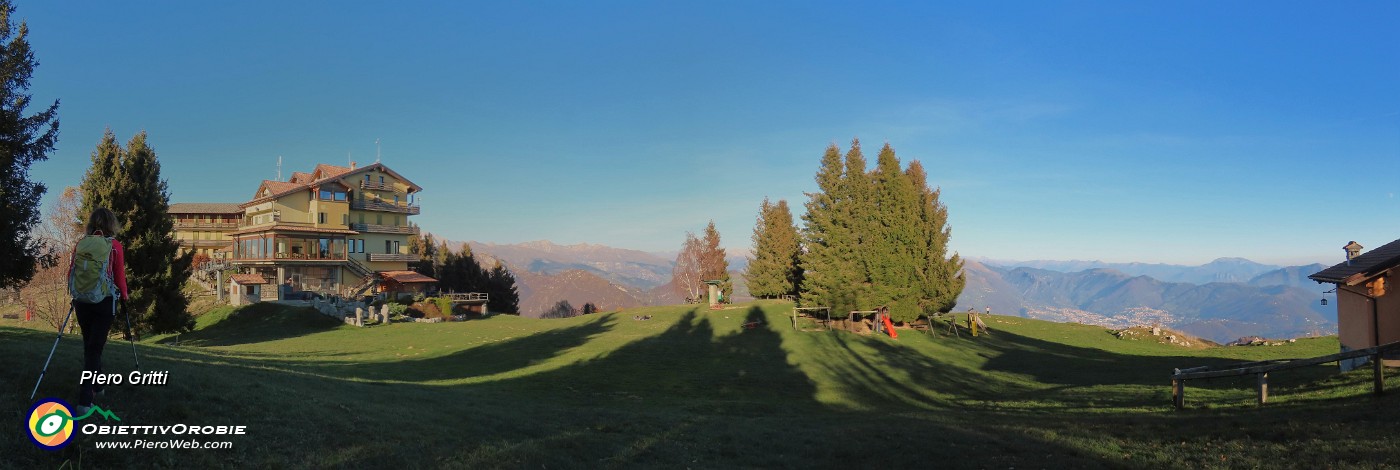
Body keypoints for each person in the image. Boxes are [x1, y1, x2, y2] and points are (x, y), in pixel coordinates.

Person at [68, 208, 129, 416]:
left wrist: (75, 292)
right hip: (104, 301)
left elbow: (71, 271)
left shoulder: (81, 243)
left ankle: (98, 386)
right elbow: (119, 275)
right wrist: (125, 296)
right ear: (112, 224)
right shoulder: (114, 246)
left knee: (90, 345)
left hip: (82, 299)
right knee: (95, 348)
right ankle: (85, 398)